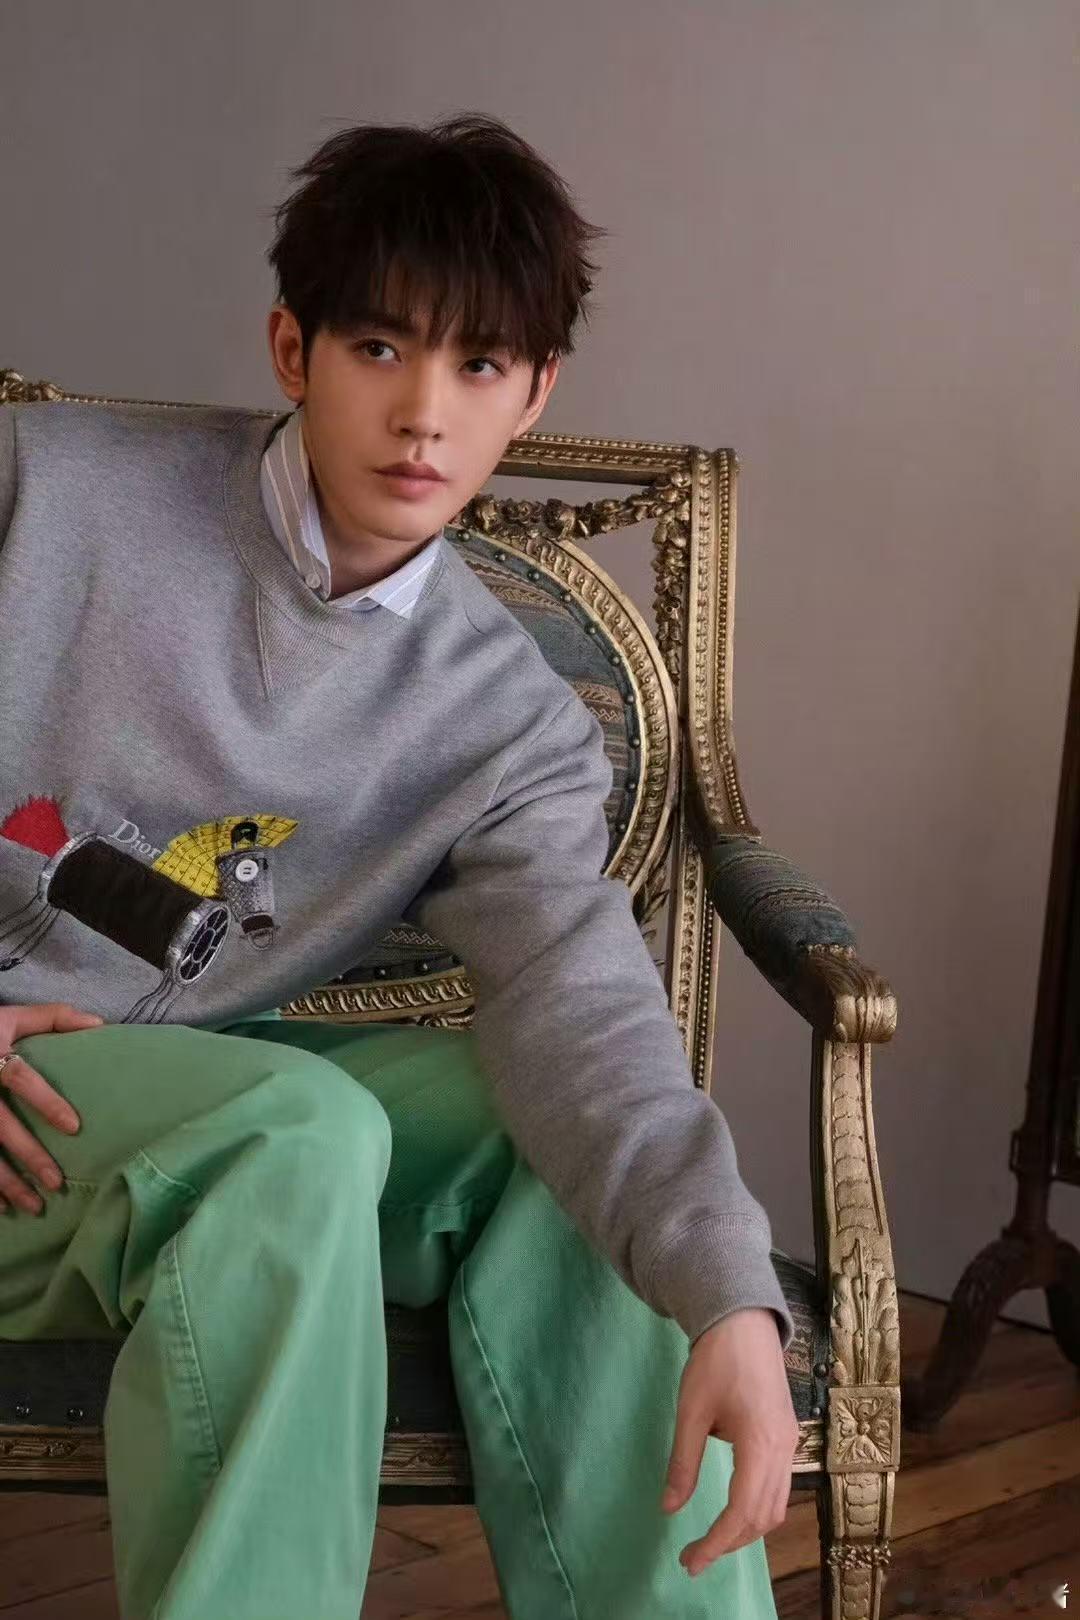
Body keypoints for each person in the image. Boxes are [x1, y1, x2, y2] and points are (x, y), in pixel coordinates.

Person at [0, 112, 798, 1619]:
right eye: (379, 349)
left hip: (185, 1085)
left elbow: (583, 1011)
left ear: (537, 390)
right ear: (291, 350)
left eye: (480, 366)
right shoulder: (43, 491)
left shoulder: (504, 718)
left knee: (548, 1141)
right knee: (292, 1128)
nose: (424, 415)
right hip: (29, 1113)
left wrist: (727, 1299)